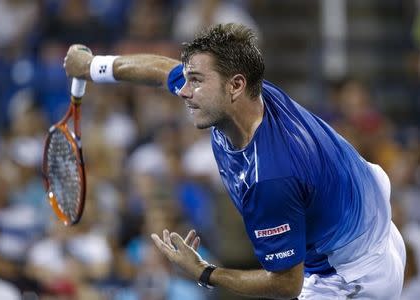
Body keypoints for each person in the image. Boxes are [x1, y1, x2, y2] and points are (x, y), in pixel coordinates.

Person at [64, 23, 406, 299]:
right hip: (370, 213)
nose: (184, 90)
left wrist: (204, 272)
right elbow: (161, 70)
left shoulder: (269, 179)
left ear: (235, 86)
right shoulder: (248, 95)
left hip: (352, 280)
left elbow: (286, 285)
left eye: (196, 81)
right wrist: (93, 66)